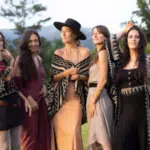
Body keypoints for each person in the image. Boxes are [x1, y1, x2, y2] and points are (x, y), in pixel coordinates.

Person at [47, 18, 91, 150]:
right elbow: (53, 77)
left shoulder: (85, 52)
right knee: (60, 136)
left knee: (73, 134)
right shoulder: (58, 53)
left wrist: (79, 76)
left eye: (67, 31)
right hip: (60, 101)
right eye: (62, 31)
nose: (64, 34)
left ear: (75, 34)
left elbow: (89, 76)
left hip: (76, 100)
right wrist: (67, 73)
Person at [112, 25, 150, 150]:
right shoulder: (121, 61)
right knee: (120, 141)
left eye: (137, 37)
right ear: (126, 40)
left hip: (143, 112)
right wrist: (124, 31)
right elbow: (110, 44)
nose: (133, 39)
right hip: (125, 110)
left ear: (141, 41)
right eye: (130, 37)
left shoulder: (147, 61)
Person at [13, 29, 51, 150]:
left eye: (36, 41)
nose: (33, 43)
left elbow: (39, 80)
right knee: (29, 139)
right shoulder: (20, 59)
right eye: (30, 41)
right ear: (25, 43)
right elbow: (16, 85)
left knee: (43, 137)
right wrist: (27, 100)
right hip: (28, 105)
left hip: (41, 102)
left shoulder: (39, 59)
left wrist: (44, 86)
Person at [86, 25, 113, 150]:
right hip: (93, 95)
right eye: (93, 33)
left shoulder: (103, 53)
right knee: (97, 140)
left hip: (99, 97)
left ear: (106, 37)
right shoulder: (97, 54)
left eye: (99, 33)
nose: (95, 35)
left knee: (103, 139)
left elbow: (102, 80)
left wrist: (92, 100)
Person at [0, 32, 22, 150]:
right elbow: (7, 78)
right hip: (2, 108)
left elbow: (13, 82)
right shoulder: (9, 62)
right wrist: (12, 60)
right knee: (3, 145)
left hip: (14, 105)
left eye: (1, 40)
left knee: (17, 144)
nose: (0, 43)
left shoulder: (5, 62)